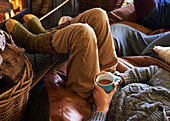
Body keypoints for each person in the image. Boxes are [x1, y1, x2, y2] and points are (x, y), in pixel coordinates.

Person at [89, 65, 170, 121]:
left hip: (91, 97)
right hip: (114, 78)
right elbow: (153, 72)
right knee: (103, 40)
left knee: (86, 40)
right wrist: (121, 79)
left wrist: (102, 108)